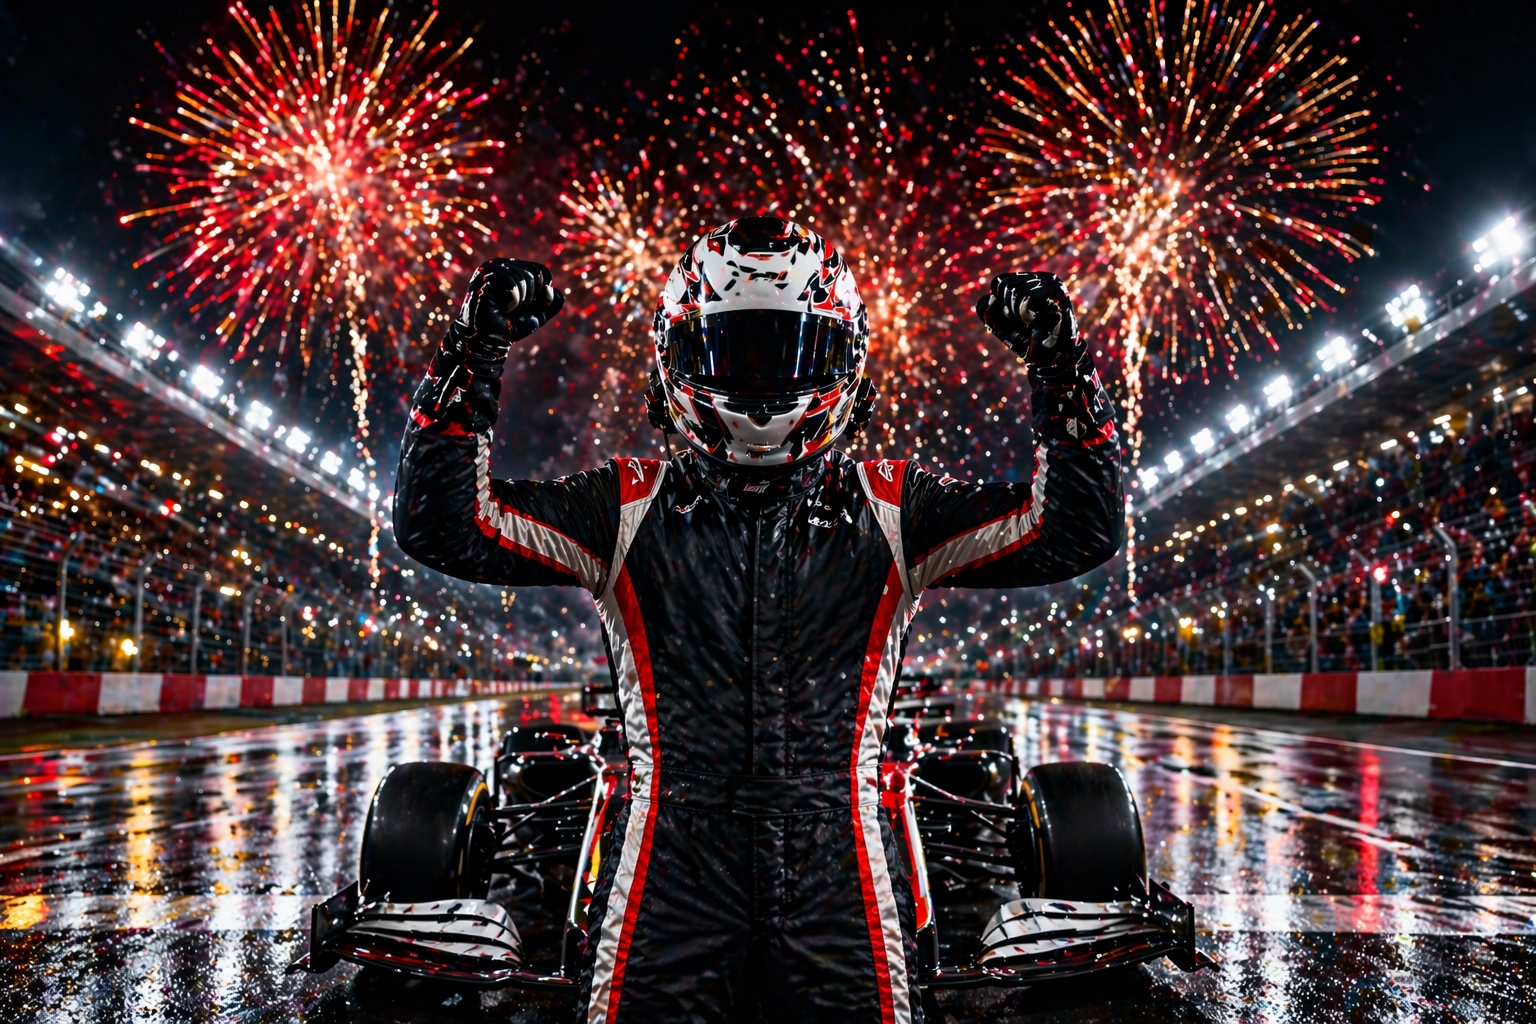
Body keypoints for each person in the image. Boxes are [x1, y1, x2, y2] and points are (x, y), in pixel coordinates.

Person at [394, 217, 1122, 1024]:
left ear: (846, 363)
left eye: (790, 353)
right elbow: (442, 526)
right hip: (673, 866)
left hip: (834, 866)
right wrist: (473, 348)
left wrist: (1058, 365)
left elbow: (1075, 533)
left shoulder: (891, 510)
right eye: (736, 353)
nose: (764, 382)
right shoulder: (626, 506)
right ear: (678, 359)